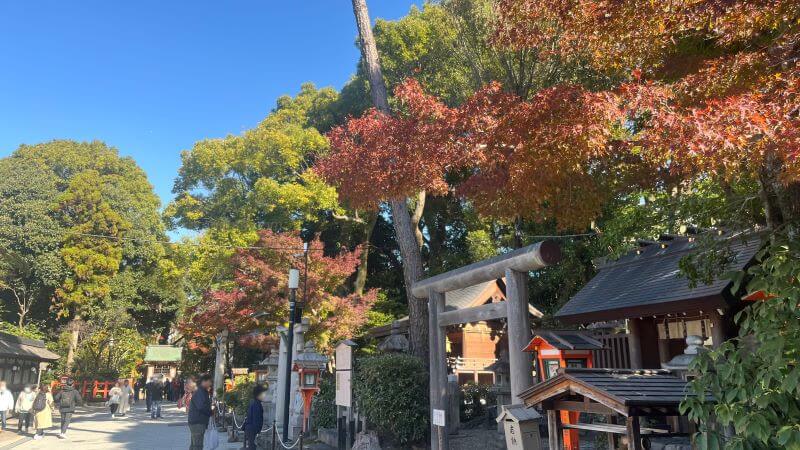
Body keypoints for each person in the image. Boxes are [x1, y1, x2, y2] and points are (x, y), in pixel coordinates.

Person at [188, 374, 213, 450]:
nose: (210, 384)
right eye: (209, 382)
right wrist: (210, 412)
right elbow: (201, 406)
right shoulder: (200, 391)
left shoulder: (202, 391)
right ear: (204, 381)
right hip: (197, 422)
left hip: (197, 421)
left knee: (194, 445)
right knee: (198, 446)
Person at [242, 385, 266, 450]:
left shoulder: (253, 402)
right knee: (252, 447)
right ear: (258, 394)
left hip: (250, 428)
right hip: (252, 429)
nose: (264, 395)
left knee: (251, 446)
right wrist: (257, 432)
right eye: (263, 394)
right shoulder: (256, 404)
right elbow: (256, 419)